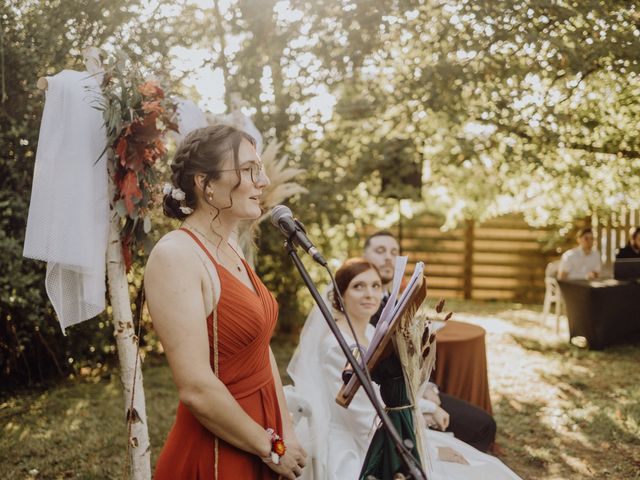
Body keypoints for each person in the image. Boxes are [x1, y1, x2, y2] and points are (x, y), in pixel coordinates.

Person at [145, 125, 306, 479]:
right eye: (249, 170)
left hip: (266, 436)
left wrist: (286, 433)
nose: (262, 181)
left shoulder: (231, 246)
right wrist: (271, 448)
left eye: (259, 168)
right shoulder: (175, 256)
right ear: (206, 184)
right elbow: (197, 389)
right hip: (219, 449)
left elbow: (261, 349)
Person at [287, 258, 521, 479]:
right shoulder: (337, 347)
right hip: (363, 444)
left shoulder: (371, 333)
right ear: (340, 295)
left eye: (375, 286)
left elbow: (388, 393)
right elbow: (364, 420)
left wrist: (427, 407)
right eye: (359, 286)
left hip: (386, 426)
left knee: (482, 466)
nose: (370, 294)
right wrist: (429, 449)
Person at [363, 231, 497, 452]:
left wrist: (430, 389)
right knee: (481, 428)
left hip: (418, 389)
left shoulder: (396, 299)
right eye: (380, 251)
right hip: (393, 401)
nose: (388, 257)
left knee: (484, 424)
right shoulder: (363, 307)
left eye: (394, 252)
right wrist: (423, 404)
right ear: (364, 255)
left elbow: (413, 352)